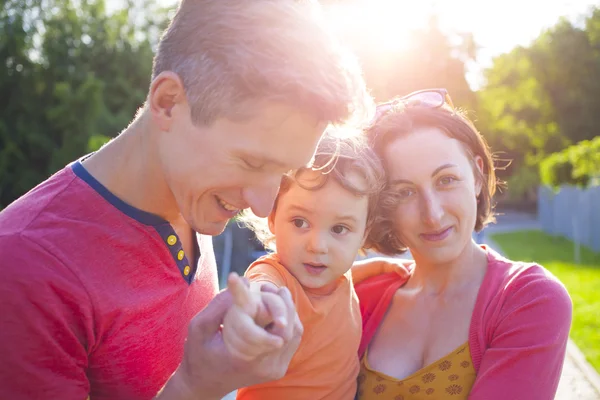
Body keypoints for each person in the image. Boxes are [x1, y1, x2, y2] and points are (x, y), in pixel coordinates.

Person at [0, 1, 372, 399]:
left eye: (282, 174)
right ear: (169, 102)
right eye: (251, 162)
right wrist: (197, 387)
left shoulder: (192, 197)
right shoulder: (25, 269)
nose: (263, 206)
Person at [354, 89, 573, 400]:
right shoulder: (362, 296)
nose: (433, 214)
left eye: (446, 180)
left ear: (478, 176)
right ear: (382, 204)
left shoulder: (528, 298)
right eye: (404, 192)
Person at [224, 133, 387, 399]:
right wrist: (260, 306)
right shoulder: (274, 275)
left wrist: (384, 267)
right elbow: (263, 289)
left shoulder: (337, 274)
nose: (318, 246)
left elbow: (344, 280)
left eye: (339, 228)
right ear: (273, 218)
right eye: (300, 222)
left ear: (364, 234)